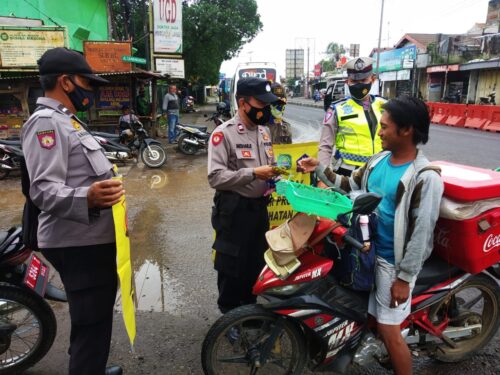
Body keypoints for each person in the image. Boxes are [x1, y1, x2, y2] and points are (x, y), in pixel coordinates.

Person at [300, 96, 444, 375]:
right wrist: (317, 167)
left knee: (390, 330)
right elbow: (348, 184)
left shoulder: (425, 177)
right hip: (366, 252)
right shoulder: (378, 161)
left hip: (392, 262)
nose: (379, 132)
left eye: (385, 127)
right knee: (366, 315)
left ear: (406, 130)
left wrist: (404, 279)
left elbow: (422, 235)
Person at [21, 47, 124, 375]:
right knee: (91, 324)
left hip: (89, 238)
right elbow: (42, 189)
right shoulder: (46, 124)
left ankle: (90, 366)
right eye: (87, 82)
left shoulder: (67, 121)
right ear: (66, 82)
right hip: (77, 243)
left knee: (93, 321)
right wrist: (88, 197)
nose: (91, 89)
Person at [208, 77, 280, 313]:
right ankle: (228, 314)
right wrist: (252, 173)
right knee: (231, 264)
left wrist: (278, 176)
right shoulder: (224, 134)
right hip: (233, 208)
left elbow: (270, 166)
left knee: (256, 262)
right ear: (243, 103)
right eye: (261, 104)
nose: (265, 109)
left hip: (259, 208)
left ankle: (248, 310)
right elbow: (215, 177)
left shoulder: (264, 132)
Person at [319, 57, 386, 181]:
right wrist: (324, 178)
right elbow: (325, 147)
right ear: (347, 82)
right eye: (354, 81)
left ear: (373, 79)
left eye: (364, 80)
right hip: (345, 173)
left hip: (380, 172)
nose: (359, 85)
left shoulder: (386, 106)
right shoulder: (337, 109)